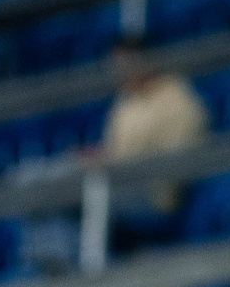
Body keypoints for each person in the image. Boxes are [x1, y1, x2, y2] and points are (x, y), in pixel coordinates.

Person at [86, 36, 210, 255]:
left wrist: (115, 165)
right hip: (117, 184)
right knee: (44, 186)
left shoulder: (179, 102)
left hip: (155, 199)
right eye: (114, 68)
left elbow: (174, 167)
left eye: (124, 66)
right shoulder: (126, 103)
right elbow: (117, 151)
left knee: (82, 197)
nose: (118, 73)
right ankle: (55, 275)